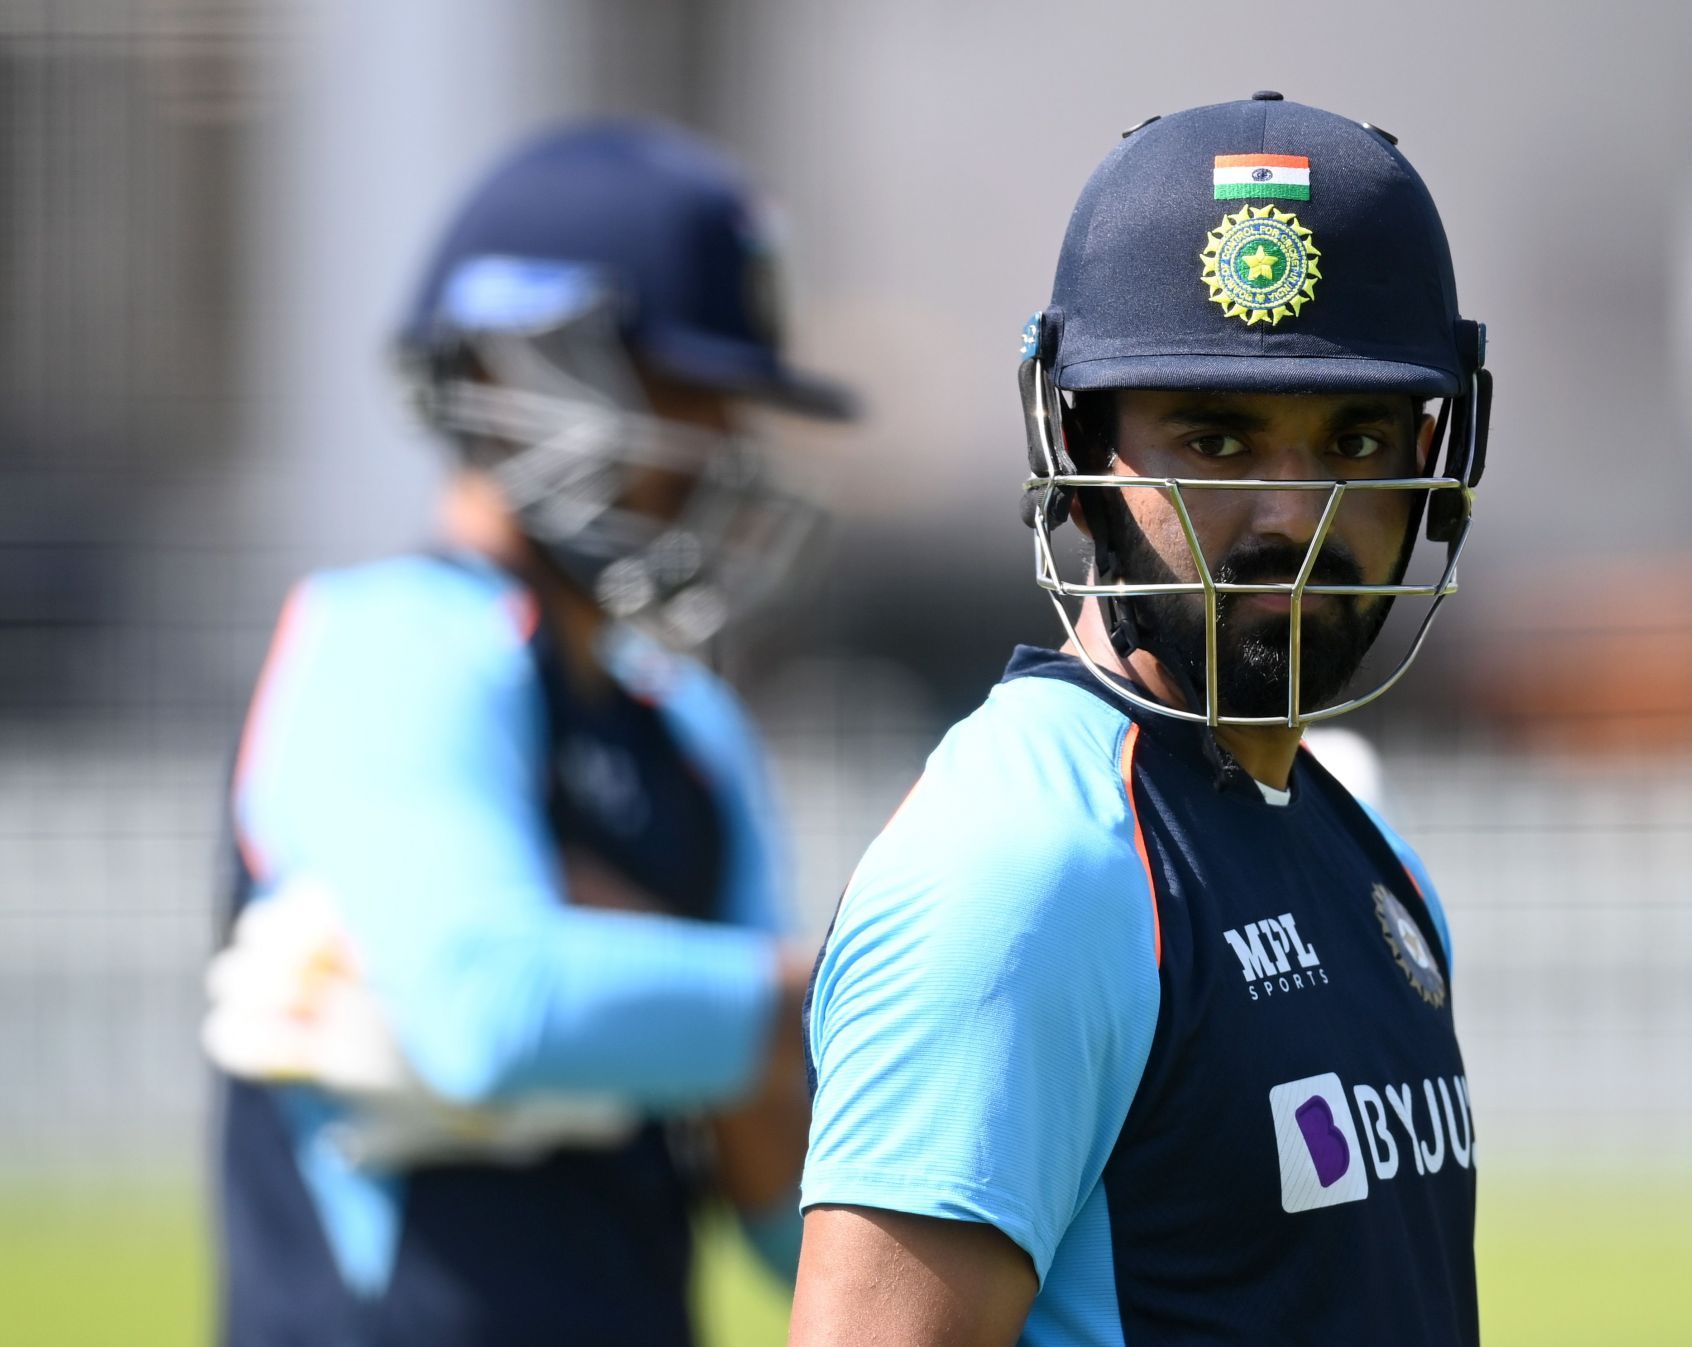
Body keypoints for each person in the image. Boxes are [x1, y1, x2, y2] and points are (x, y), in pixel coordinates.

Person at [791, 93, 1491, 1346]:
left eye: (1357, 438)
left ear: (1437, 461)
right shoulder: (1020, 876)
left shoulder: (1363, 853)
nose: (1292, 514)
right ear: (1077, 442)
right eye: (1216, 439)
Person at [204, 120, 854, 1347]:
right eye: (683, 389)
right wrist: (836, 993)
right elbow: (490, 1011)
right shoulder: (396, 641)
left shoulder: (687, 721)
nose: (718, 445)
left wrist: (703, 1003)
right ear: (514, 371)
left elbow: (792, 1219)